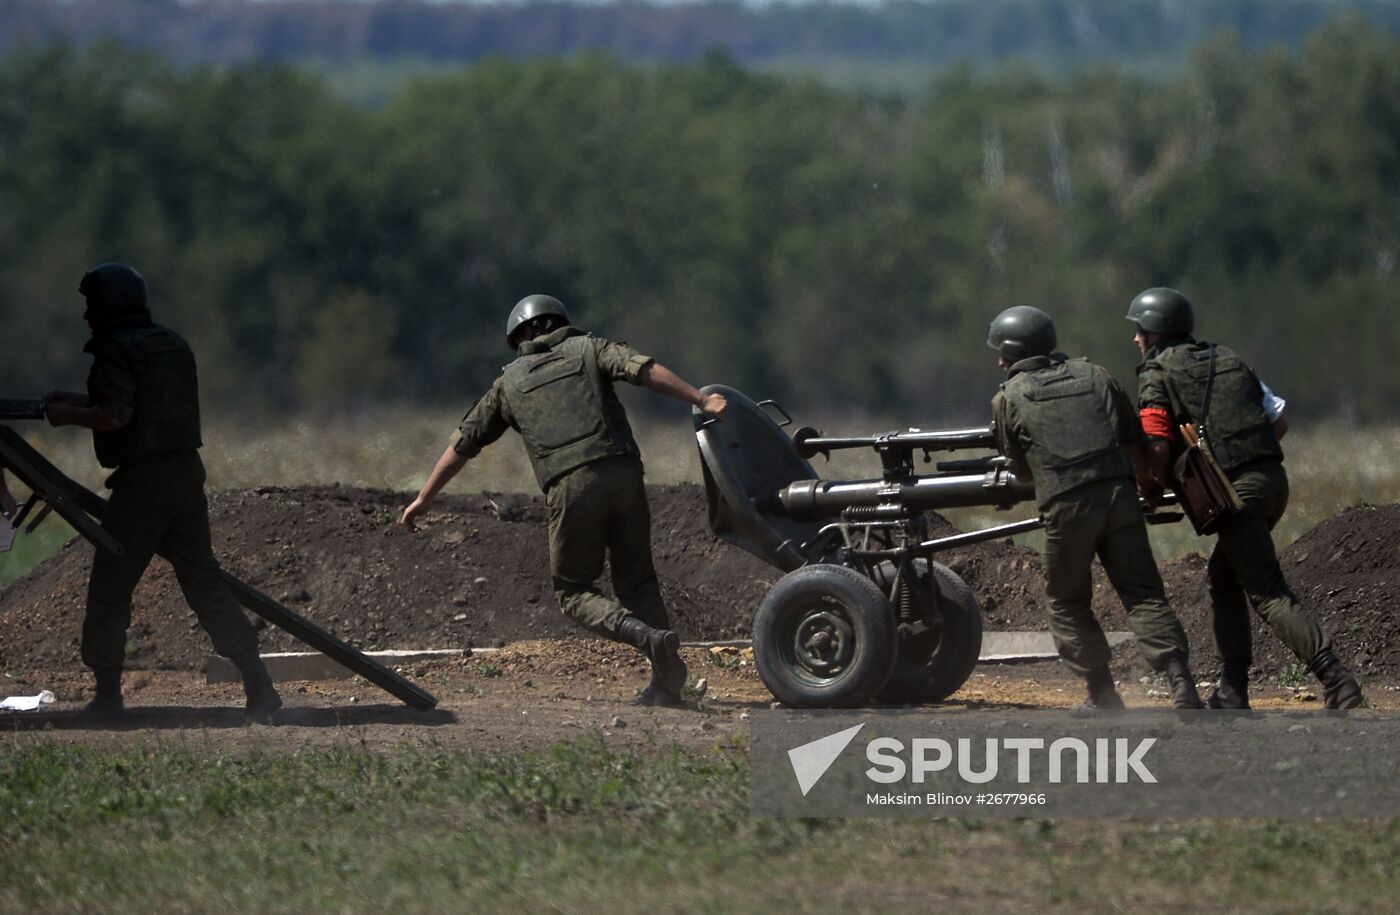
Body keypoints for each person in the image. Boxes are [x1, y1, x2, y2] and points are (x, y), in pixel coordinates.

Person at [400, 294, 727, 707]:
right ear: (558, 323)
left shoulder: (508, 383)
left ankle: (644, 637)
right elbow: (642, 370)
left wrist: (424, 498)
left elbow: (464, 443)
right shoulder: (591, 348)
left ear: (521, 336)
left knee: (573, 591)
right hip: (625, 475)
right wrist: (700, 399)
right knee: (638, 582)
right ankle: (666, 679)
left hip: (571, 487)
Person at [44, 263, 281, 723]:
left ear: (110, 306)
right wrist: (75, 401)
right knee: (204, 584)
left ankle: (109, 697)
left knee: (111, 587)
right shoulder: (171, 344)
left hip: (143, 484)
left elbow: (116, 414)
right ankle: (260, 686)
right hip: (185, 474)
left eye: (92, 305)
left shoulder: (114, 350)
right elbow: (145, 402)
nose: (87, 315)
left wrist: (67, 417)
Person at [1127, 287, 1363, 710]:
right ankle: (1233, 688)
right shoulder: (1228, 358)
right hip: (1273, 481)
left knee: (1268, 591)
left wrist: (1149, 486)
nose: (1136, 340)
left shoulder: (1156, 373)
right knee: (1223, 577)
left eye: (1139, 331)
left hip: (1239, 496)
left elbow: (1158, 446)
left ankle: (1337, 678)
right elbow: (1280, 423)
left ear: (1154, 334)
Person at [988, 305, 1203, 710]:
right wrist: (1147, 485)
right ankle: (1182, 685)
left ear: (1011, 352)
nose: (998, 360)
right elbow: (1134, 440)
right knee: (1144, 594)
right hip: (1120, 497)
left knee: (1067, 601)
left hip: (1067, 507)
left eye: (1001, 351)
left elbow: (1021, 473)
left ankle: (1102, 694)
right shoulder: (1097, 375)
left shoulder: (1007, 398)